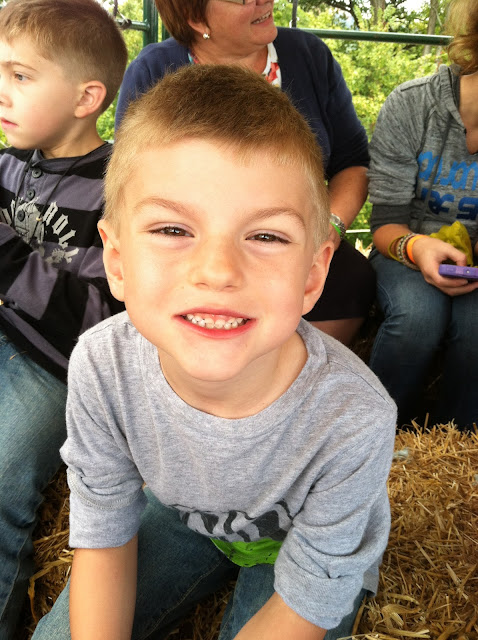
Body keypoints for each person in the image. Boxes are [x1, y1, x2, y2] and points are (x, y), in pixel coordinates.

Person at [32, 64, 396, 640]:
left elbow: (310, 596)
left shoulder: (354, 418)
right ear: (117, 262)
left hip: (298, 544)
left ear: (313, 274)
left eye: (266, 236)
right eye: (173, 230)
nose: (219, 271)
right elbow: (103, 533)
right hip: (186, 520)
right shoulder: (102, 365)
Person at [114, 0, 376, 347]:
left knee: (353, 278)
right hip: (191, 242)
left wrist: (328, 228)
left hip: (290, 236)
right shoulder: (153, 69)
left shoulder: (309, 56)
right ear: (194, 17)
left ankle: (296, 368)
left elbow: (353, 161)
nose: (263, 0)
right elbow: (129, 180)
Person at [0, 0, 128, 636]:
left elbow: (103, 319)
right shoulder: (7, 164)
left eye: (21, 76)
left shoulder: (118, 190)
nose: (1, 91)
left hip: (56, 368)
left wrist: (7, 255)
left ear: (86, 98)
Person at [367, 0, 478, 430]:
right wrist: (418, 248)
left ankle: (455, 444)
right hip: (404, 249)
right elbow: (385, 224)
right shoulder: (413, 105)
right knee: (417, 317)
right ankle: (377, 431)